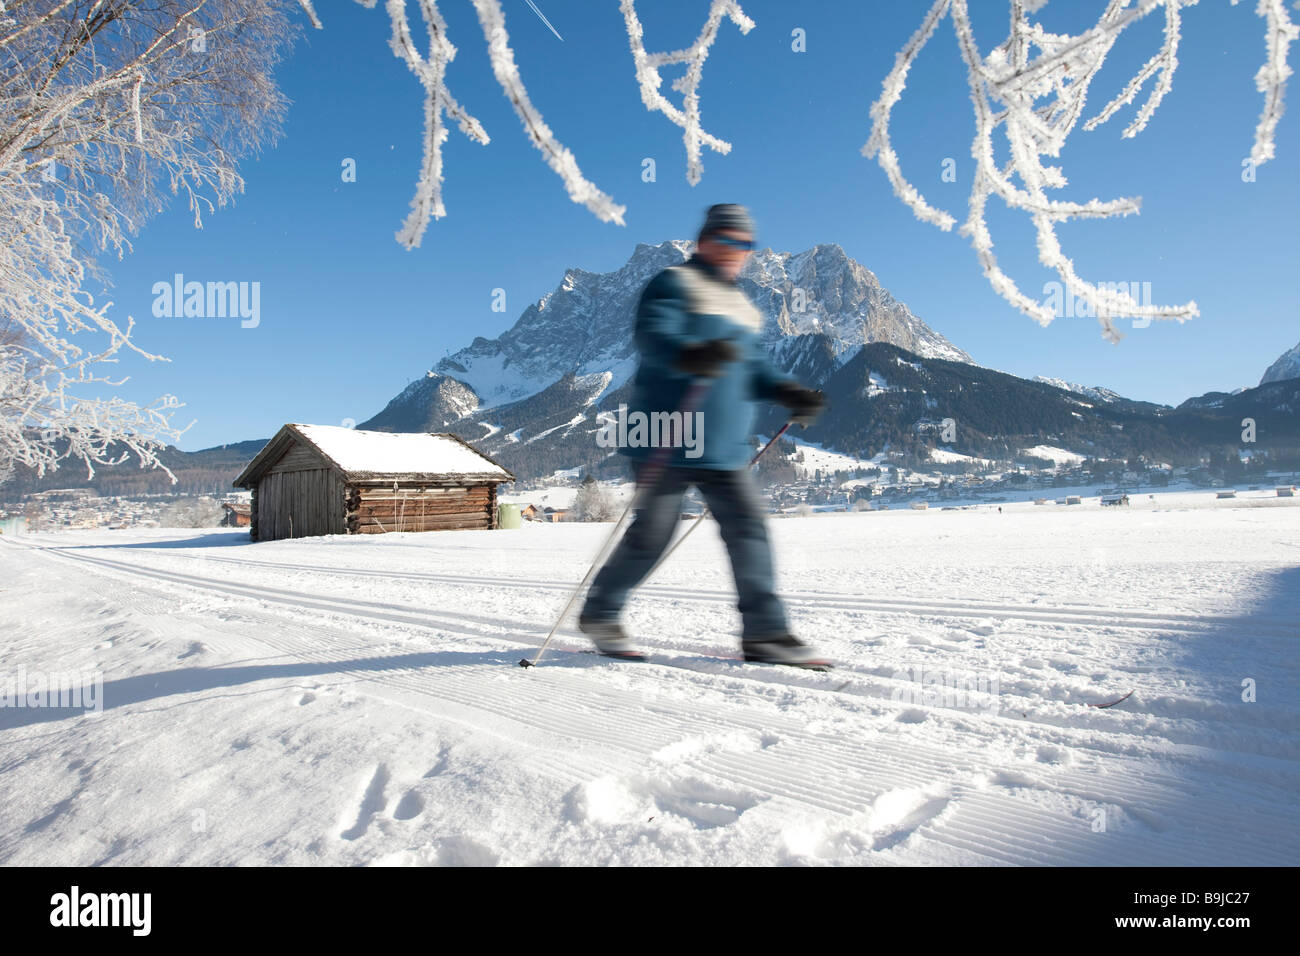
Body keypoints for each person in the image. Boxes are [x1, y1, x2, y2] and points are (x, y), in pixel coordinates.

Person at [578, 204, 829, 668]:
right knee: (654, 532)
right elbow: (655, 336)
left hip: (725, 447)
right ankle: (601, 612)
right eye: (728, 240)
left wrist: (789, 391)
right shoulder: (673, 283)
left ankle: (765, 633)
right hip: (668, 433)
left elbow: (753, 369)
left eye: (745, 244)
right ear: (705, 242)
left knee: (748, 528)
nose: (737, 251)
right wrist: (690, 352)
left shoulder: (743, 308)